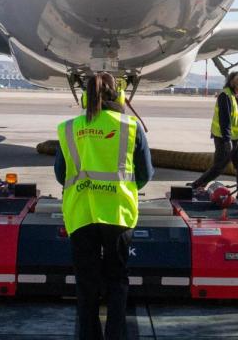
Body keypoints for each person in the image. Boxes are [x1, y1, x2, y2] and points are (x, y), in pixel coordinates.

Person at [55, 72, 154, 340]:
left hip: (81, 214)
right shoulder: (130, 127)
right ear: (118, 96)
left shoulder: (69, 128)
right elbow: (146, 173)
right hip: (118, 213)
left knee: (86, 285)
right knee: (117, 281)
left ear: (85, 97)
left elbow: (60, 173)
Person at [191, 71, 238, 209]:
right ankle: (195, 186)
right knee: (218, 168)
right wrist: (227, 141)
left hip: (237, 140)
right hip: (224, 140)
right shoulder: (225, 96)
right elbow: (225, 120)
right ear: (231, 81)